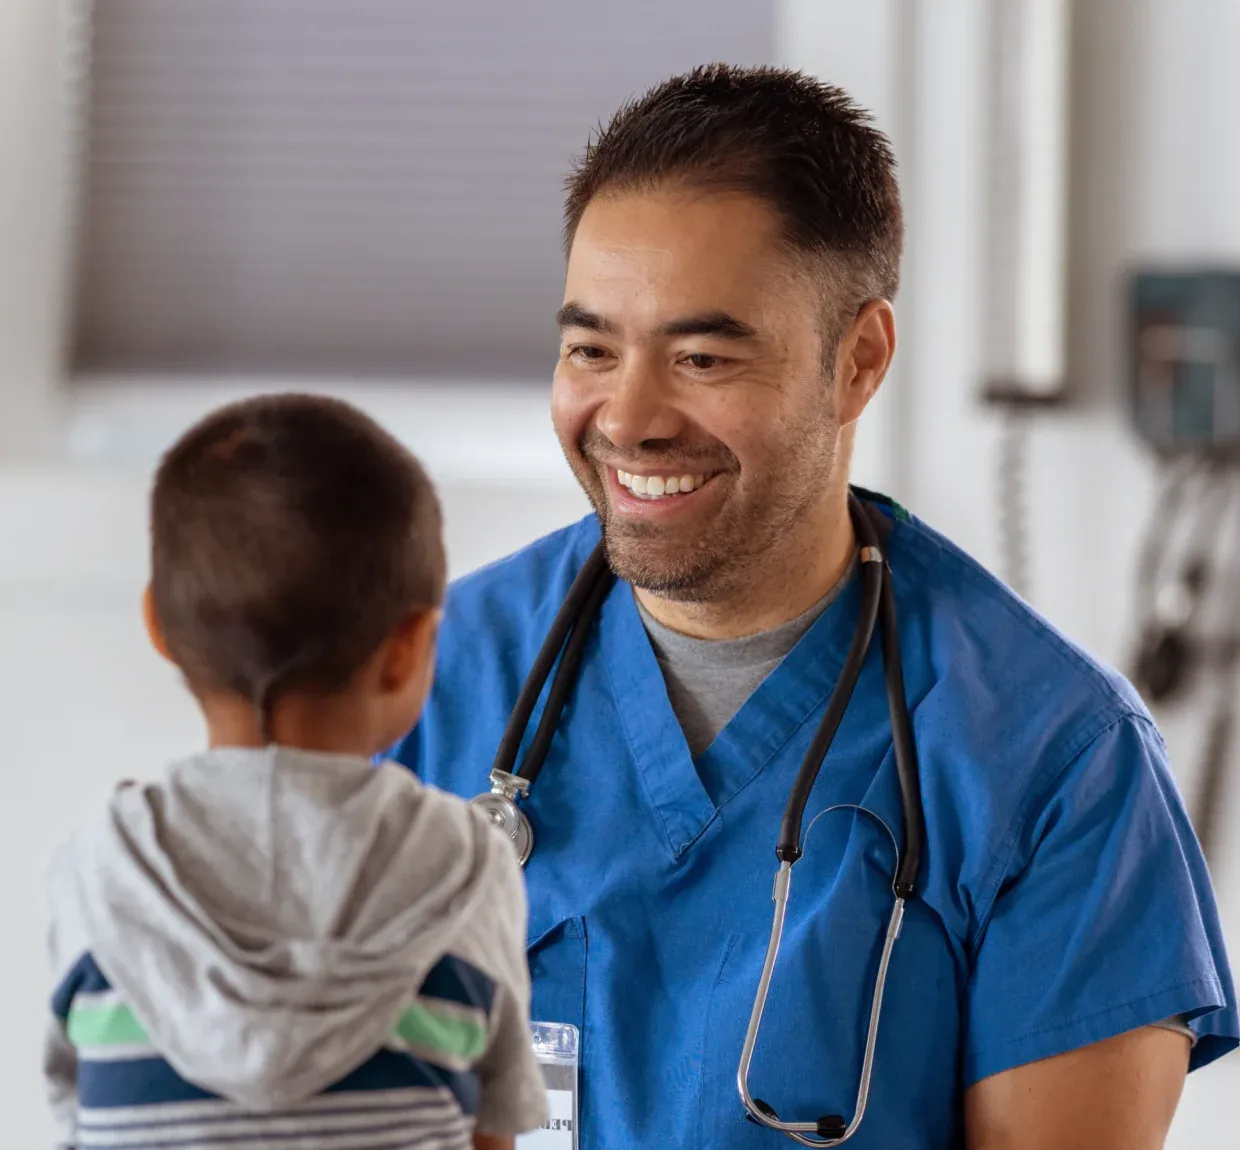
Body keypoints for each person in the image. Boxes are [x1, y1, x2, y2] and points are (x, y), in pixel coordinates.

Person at [394, 64, 1239, 1148]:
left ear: (859, 361)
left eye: (701, 356)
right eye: (590, 349)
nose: (630, 417)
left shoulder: (1057, 764)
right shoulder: (424, 685)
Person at [42, 394, 548, 1150]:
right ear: (408, 648)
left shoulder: (100, 866)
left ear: (159, 629)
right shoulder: (464, 863)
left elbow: (76, 1110)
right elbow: (493, 1129)